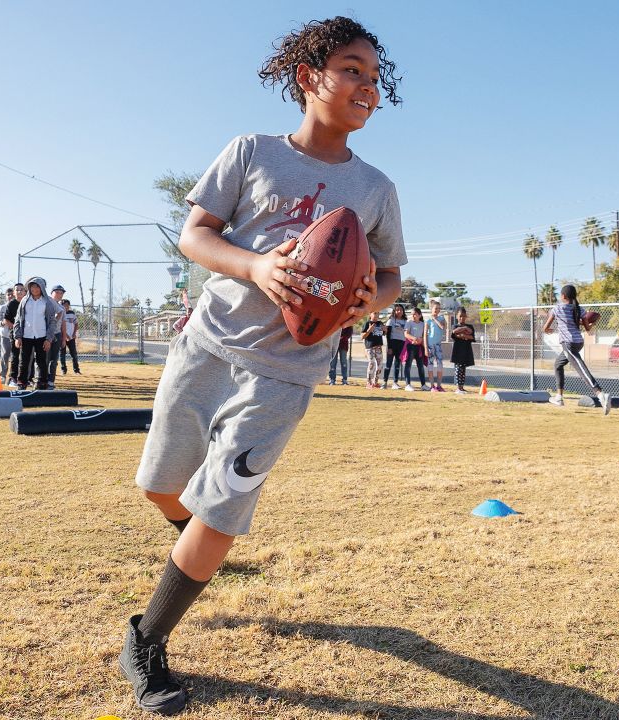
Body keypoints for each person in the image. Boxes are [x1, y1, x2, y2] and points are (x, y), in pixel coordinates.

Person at [118, 16, 405, 715]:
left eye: (375, 76)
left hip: (288, 369)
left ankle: (146, 639)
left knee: (222, 505)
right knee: (163, 487)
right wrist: (256, 266)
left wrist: (368, 298)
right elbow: (195, 235)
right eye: (351, 70)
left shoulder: (374, 188)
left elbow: (393, 274)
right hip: (209, 346)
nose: (367, 86)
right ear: (309, 78)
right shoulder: (252, 151)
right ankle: (194, 544)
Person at [543, 284, 610, 413]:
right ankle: (559, 397)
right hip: (578, 342)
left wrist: (548, 330)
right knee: (558, 365)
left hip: (568, 343)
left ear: (563, 296)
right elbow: (588, 328)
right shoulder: (579, 309)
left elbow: (545, 327)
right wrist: (594, 321)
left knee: (581, 369)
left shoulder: (557, 309)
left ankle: (601, 395)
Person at [13, 277, 62, 391]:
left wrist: (49, 339)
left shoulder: (48, 302)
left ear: (42, 287)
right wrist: (18, 336)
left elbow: (52, 321)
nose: (34, 288)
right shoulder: (25, 301)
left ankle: (42, 383)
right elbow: (18, 319)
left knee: (42, 362)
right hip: (26, 336)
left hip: (42, 336)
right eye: (32, 286)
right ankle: (21, 383)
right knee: (23, 362)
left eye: (37, 286)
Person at [46, 285, 69, 387]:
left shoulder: (62, 308)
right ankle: (42, 379)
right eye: (57, 292)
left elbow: (63, 324)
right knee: (44, 358)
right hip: (46, 334)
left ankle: (51, 380)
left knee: (54, 359)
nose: (59, 294)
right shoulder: (46, 303)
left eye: (61, 293)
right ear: (51, 293)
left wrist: (64, 339)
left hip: (57, 335)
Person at [0, 287, 16, 386]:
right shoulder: (2, 308)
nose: (10, 296)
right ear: (6, 296)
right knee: (5, 355)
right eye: (8, 294)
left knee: (16, 357)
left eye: (12, 294)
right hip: (5, 335)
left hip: (16, 336)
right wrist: (2, 322)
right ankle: (2, 375)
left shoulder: (18, 306)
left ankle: (13, 377)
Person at [450, 307, 476, 394]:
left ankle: (462, 387)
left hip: (466, 352)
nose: (462, 318)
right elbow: (454, 332)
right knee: (458, 369)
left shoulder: (470, 326)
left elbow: (471, 336)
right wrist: (463, 332)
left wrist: (462, 334)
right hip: (458, 352)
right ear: (457, 316)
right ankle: (458, 387)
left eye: (464, 316)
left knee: (463, 370)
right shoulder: (455, 326)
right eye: (460, 316)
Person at [4, 283, 25, 388]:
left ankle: (26, 378)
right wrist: (16, 329)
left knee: (27, 357)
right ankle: (13, 378)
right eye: (17, 290)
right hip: (15, 335)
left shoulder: (28, 303)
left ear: (25, 292)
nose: (20, 291)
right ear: (14, 292)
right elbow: (6, 319)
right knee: (15, 356)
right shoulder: (11, 304)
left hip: (28, 334)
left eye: (22, 290)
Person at [402, 306, 427, 391]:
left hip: (419, 347)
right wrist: (414, 338)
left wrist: (421, 340)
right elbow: (406, 334)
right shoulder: (409, 322)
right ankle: (408, 384)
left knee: (420, 366)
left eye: (415, 314)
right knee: (408, 365)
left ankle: (423, 385)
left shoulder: (423, 324)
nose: (413, 316)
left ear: (419, 315)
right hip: (410, 346)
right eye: (412, 314)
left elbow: (424, 336)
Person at [382, 303, 407, 389]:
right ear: (394, 311)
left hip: (401, 344)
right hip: (392, 343)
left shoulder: (405, 321)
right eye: (397, 310)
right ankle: (384, 382)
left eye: (401, 310)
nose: (399, 311)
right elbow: (388, 335)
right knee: (388, 364)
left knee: (397, 365)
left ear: (403, 311)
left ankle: (395, 383)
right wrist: (389, 347)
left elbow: (406, 334)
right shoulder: (391, 320)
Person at [425, 299, 447, 391]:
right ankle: (432, 386)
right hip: (430, 345)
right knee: (430, 365)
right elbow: (425, 334)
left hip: (438, 345)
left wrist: (435, 319)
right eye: (435, 308)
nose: (437, 310)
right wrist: (426, 348)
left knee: (440, 365)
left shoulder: (442, 318)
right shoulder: (428, 320)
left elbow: (442, 327)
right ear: (431, 309)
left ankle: (439, 385)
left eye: (438, 308)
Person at [362, 311, 386, 388]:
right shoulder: (367, 323)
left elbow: (383, 334)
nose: (377, 315)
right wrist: (369, 330)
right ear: (370, 314)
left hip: (378, 347)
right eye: (375, 313)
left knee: (380, 365)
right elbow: (362, 336)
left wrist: (385, 330)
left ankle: (375, 382)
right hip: (370, 347)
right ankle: (368, 382)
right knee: (372, 363)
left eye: (378, 313)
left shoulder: (380, 323)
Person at [59, 299, 81, 375]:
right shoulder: (59, 313)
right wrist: (66, 335)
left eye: (67, 305)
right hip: (62, 338)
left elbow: (76, 324)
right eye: (64, 305)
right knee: (62, 355)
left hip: (71, 338)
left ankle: (76, 370)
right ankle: (63, 370)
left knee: (74, 354)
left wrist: (74, 333)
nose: (66, 307)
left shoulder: (72, 313)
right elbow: (59, 326)